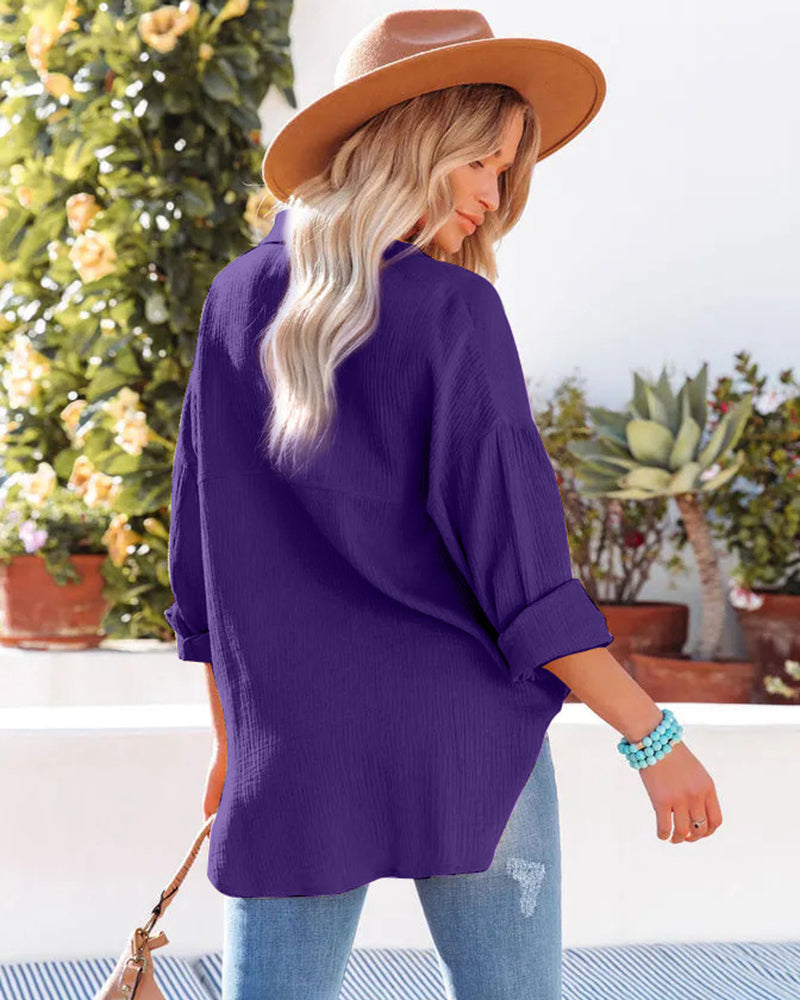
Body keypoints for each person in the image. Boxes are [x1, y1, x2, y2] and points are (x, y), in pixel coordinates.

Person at [165, 9, 723, 999]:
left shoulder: (234, 299)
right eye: (480, 162)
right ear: (414, 141)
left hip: (292, 753)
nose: (492, 197)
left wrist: (232, 745)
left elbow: (204, 576)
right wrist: (652, 736)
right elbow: (524, 577)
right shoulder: (452, 308)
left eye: (505, 172)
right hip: (466, 739)